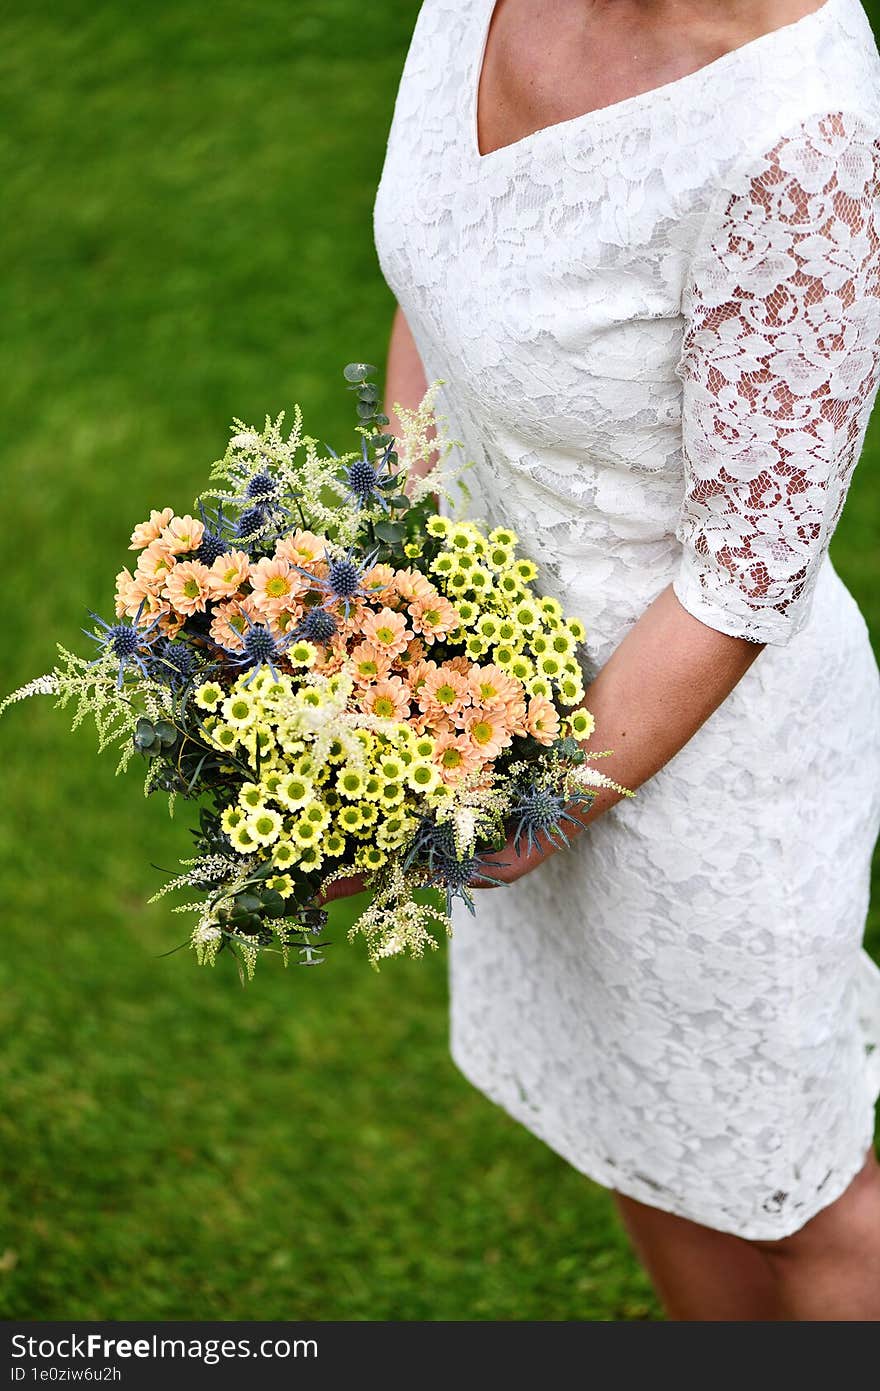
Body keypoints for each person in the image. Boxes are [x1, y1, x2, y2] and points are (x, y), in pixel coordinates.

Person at [365, 0, 880, 1318]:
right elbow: (438, 289)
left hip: (701, 770)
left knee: (802, 1195)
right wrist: (398, 617)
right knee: (645, 1129)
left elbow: (742, 569)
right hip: (490, 702)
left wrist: (528, 808)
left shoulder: (797, 129)